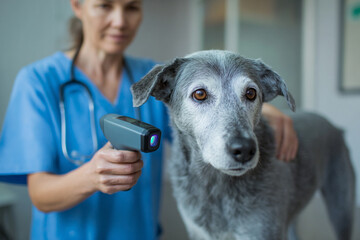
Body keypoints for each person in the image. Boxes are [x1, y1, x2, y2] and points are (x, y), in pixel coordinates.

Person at [0, 0, 298, 239]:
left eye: (132, 7)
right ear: (77, 5)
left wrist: (261, 106)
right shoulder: (38, 81)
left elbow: (206, 116)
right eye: (105, 5)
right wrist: (91, 176)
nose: (120, 20)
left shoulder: (157, 79)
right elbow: (40, 195)